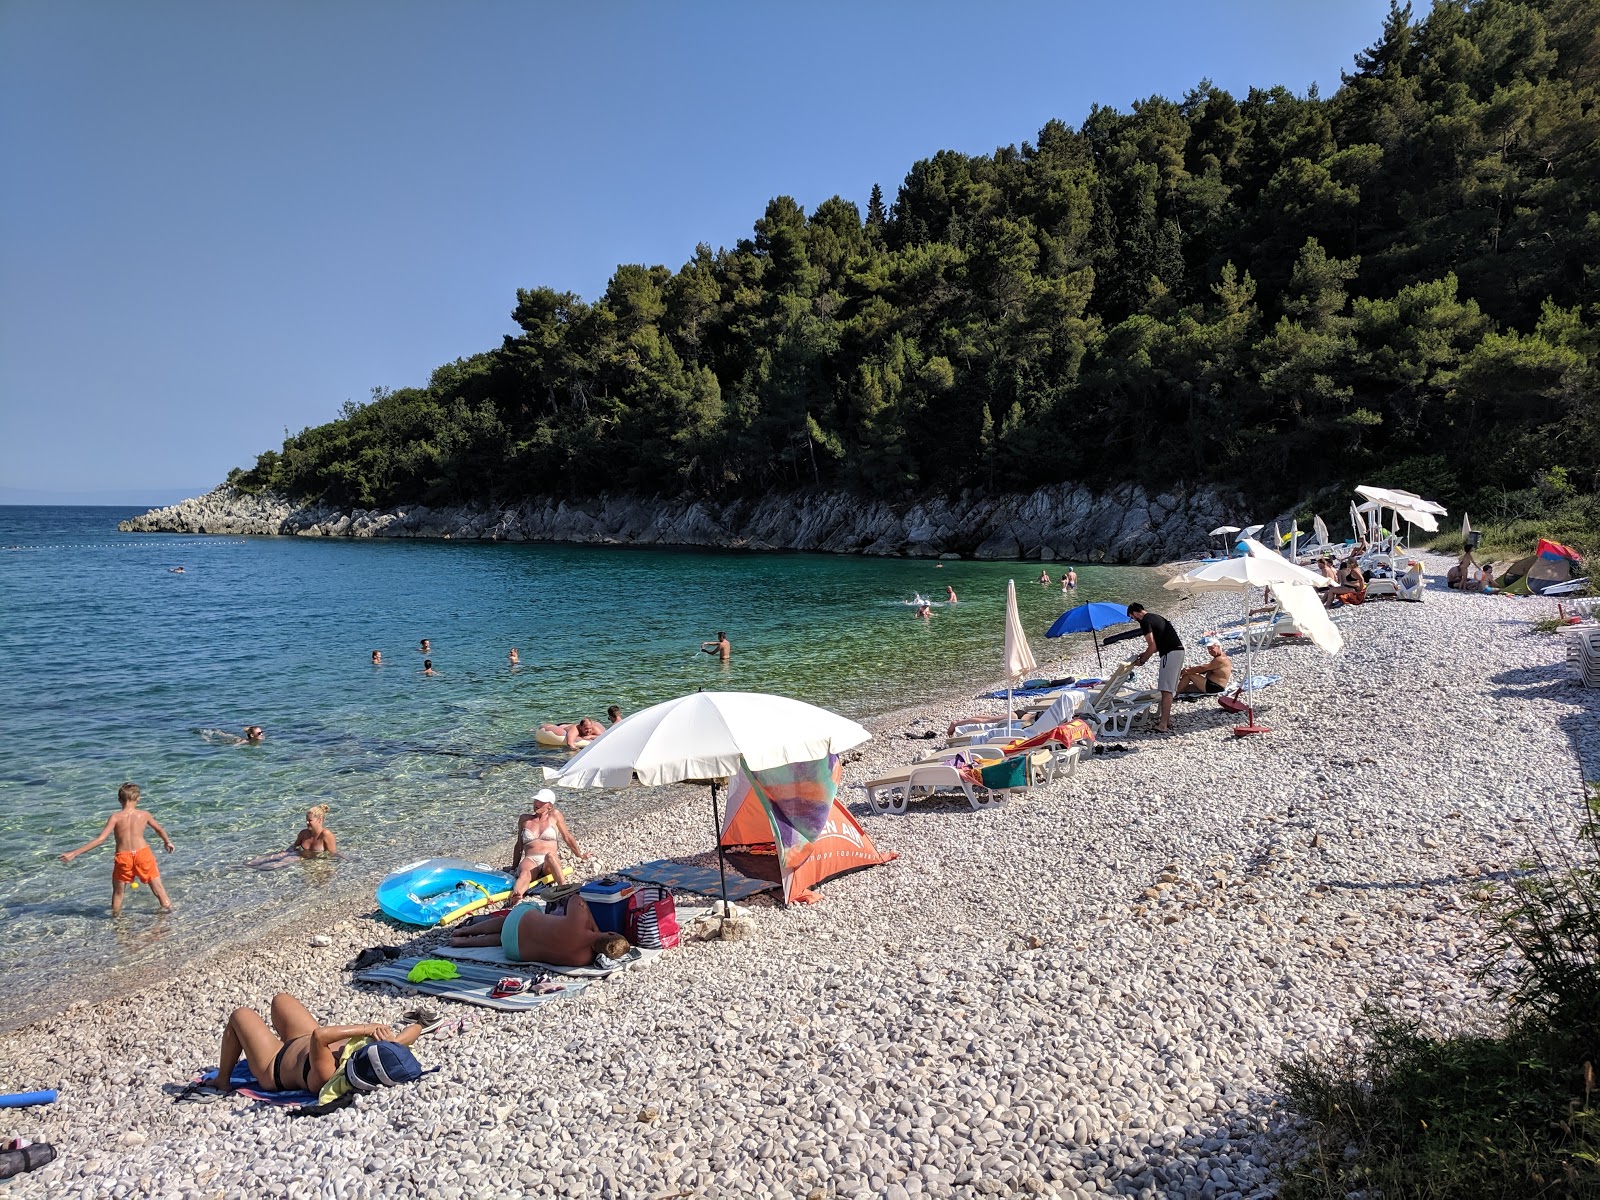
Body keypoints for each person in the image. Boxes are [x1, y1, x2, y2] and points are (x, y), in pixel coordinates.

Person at [211, 992, 423, 1097]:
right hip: (300, 1041)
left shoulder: (328, 1074)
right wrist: (395, 1041)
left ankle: (222, 1080)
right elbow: (416, 1029)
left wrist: (367, 1028)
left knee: (241, 1015)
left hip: (273, 1063)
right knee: (281, 999)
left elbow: (319, 1036)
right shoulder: (375, 1059)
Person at [58, 782, 175, 915]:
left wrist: (74, 852)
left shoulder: (115, 817)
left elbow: (100, 839)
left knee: (119, 893)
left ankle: (117, 922)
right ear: (138, 799)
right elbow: (159, 829)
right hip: (143, 855)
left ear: (119, 800)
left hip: (123, 856)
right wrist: (167, 842)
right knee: (158, 889)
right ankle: (168, 916)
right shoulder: (144, 815)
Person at [449, 896, 629, 968]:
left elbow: (576, 898)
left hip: (516, 923)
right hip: (514, 951)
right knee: (508, 937)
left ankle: (466, 931)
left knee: (509, 922)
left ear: (611, 934)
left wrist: (594, 926)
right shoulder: (583, 960)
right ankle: (463, 943)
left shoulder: (580, 922)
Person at [508, 789, 590, 900]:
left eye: (541, 802)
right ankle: (517, 894)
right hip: (531, 859)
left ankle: (563, 887)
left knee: (550, 856)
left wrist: (579, 855)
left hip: (548, 862)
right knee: (524, 874)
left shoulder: (555, 816)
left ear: (550, 806)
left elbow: (567, 836)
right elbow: (519, 845)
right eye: (536, 800)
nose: (536, 804)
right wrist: (513, 868)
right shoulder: (524, 819)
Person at [1123, 602, 1184, 733]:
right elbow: (1158, 644)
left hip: (1170, 653)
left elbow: (1152, 646)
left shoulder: (1144, 621)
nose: (1134, 620)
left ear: (1135, 613)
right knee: (1169, 688)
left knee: (1166, 689)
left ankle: (1163, 725)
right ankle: (1166, 720)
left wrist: (1143, 660)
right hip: (1178, 651)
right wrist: (1144, 654)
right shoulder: (1155, 617)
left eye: (1132, 617)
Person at [538, 715, 605, 749]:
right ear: (581, 727)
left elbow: (604, 736)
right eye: (586, 729)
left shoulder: (594, 729)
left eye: (590, 728)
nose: (589, 731)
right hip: (561, 726)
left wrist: (591, 736)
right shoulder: (575, 729)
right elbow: (570, 743)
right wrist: (577, 751)